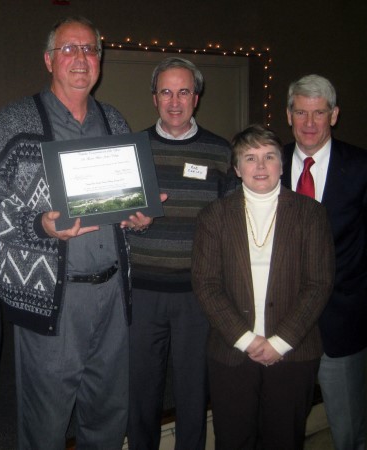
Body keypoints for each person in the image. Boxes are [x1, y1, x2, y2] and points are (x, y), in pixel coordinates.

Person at [0, 16, 157, 450]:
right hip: (52, 300)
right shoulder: (14, 122)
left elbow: (120, 201)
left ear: (100, 60)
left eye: (90, 50)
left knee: (108, 416)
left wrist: (137, 217)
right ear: (48, 60)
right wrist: (38, 225)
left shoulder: (114, 120)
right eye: (69, 50)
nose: (81, 59)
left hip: (112, 294)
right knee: (45, 423)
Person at [191, 124, 335, 449]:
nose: (260, 166)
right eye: (250, 157)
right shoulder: (214, 217)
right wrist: (246, 339)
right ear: (236, 168)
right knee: (233, 439)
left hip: (293, 352)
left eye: (269, 156)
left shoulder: (311, 214)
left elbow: (318, 284)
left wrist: (280, 342)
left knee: (284, 439)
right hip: (232, 352)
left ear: (281, 165)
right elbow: (206, 284)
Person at [127, 57, 231, 450]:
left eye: (183, 91)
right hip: (143, 294)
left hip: (196, 296)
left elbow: (232, 226)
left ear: (197, 98)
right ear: (154, 98)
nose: (175, 101)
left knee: (192, 393)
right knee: (141, 393)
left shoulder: (221, 153)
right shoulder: (132, 150)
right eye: (166, 92)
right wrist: (129, 222)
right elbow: (112, 218)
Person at [282, 74, 367, 450]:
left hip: (342, 321)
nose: (310, 123)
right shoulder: (268, 163)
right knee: (282, 426)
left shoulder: (361, 167)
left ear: (334, 115)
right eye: (302, 112)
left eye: (319, 113)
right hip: (282, 323)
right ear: (289, 115)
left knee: (349, 431)